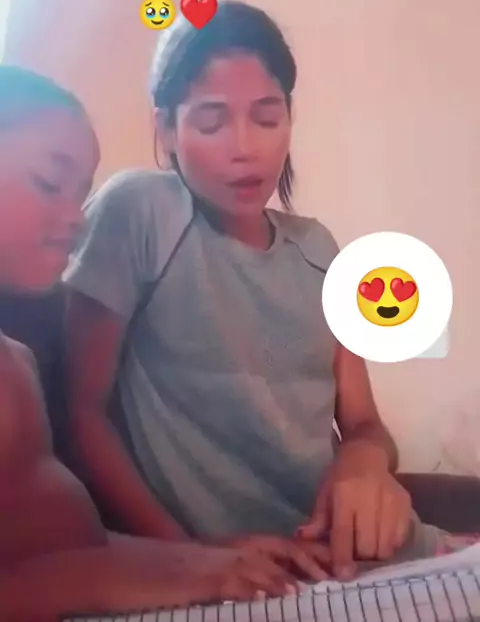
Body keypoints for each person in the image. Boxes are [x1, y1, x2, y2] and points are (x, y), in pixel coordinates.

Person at [64, 0, 442, 583]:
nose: (245, 147)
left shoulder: (318, 249)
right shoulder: (142, 212)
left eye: (267, 118)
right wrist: (186, 560)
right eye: (211, 122)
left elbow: (364, 423)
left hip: (356, 563)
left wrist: (363, 464)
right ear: (165, 129)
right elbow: (80, 410)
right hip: (238, 579)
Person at [0, 64, 329, 622]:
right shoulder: (149, 222)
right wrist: (101, 580)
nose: (76, 219)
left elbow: (67, 550)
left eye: (81, 193)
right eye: (49, 183)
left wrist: (201, 560)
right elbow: (67, 571)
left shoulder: (18, 362)